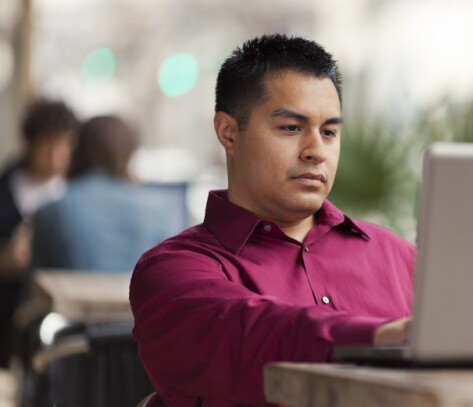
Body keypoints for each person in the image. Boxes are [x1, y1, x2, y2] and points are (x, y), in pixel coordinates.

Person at [129, 34, 415, 406]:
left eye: (329, 132)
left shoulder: (400, 258)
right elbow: (250, 334)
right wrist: (381, 338)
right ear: (229, 133)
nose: (317, 151)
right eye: (291, 128)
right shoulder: (171, 272)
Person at [31, 115, 178, 272]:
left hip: (77, 296)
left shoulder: (53, 210)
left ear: (77, 151)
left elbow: (34, 287)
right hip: (141, 296)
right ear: (129, 152)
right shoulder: (162, 210)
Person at [0, 99, 78, 367]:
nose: (56, 155)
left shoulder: (77, 192)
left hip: (64, 314)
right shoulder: (4, 189)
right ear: (29, 143)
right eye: (48, 144)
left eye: (64, 145)